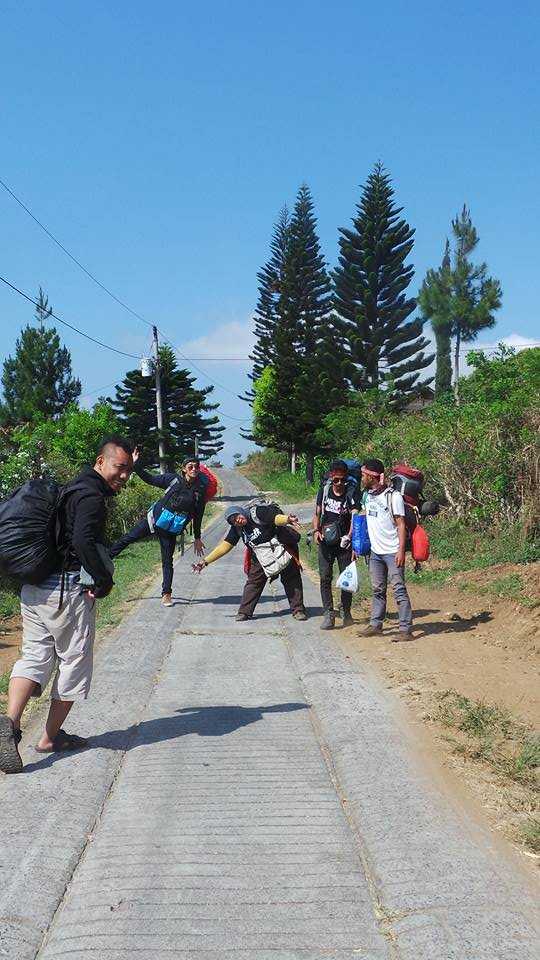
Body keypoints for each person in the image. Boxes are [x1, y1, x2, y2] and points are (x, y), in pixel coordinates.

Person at [0, 435, 133, 774]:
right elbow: (82, 541)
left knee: (34, 657)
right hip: (66, 591)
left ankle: (10, 725)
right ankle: (48, 737)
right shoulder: (91, 497)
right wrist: (104, 580)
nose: (124, 476)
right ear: (100, 462)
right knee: (73, 662)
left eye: (128, 470)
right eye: (119, 468)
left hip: (34, 588)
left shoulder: (72, 488)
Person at [109, 447, 207, 606]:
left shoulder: (199, 491)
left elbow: (198, 515)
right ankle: (103, 561)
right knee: (128, 538)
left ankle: (166, 594)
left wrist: (197, 537)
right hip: (153, 520)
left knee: (167, 561)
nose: (194, 469)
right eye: (190, 466)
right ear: (184, 469)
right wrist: (135, 464)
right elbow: (149, 479)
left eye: (196, 467)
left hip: (171, 529)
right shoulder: (173, 480)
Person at [193, 503, 307, 622]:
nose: (237, 520)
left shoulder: (257, 513)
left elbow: (275, 518)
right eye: (233, 521)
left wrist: (287, 519)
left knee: (291, 578)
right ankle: (244, 613)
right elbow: (225, 546)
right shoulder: (238, 528)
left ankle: (298, 610)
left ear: (240, 512)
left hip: (282, 547)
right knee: (253, 582)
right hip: (261, 555)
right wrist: (205, 562)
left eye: (236, 516)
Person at [360, 458, 413, 639]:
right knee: (377, 589)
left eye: (364, 475)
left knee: (398, 589)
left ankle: (405, 629)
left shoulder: (393, 497)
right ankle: (376, 624)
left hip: (392, 552)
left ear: (372, 476)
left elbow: (401, 524)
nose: (362, 477)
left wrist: (400, 550)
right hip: (376, 552)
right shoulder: (368, 496)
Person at [312, 459, 360, 629]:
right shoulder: (324, 491)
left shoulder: (352, 492)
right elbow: (317, 513)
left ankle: (346, 611)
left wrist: (351, 538)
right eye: (336, 480)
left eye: (342, 480)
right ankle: (328, 614)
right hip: (325, 542)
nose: (339, 483)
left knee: (346, 579)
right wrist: (316, 531)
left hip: (344, 544)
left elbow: (356, 517)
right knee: (325, 578)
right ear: (331, 478)